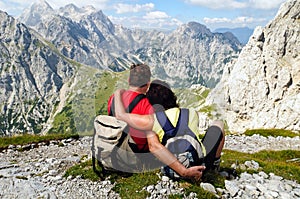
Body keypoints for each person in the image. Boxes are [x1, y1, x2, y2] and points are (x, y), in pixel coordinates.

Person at [113, 79, 225, 181]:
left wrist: (118, 93)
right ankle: (213, 167)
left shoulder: (152, 120)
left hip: (173, 171)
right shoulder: (191, 113)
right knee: (218, 124)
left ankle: (183, 170)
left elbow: (120, 115)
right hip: (200, 167)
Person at [107, 63, 153, 152]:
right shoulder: (147, 104)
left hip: (115, 147)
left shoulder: (113, 98)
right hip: (137, 153)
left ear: (128, 80)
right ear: (148, 84)